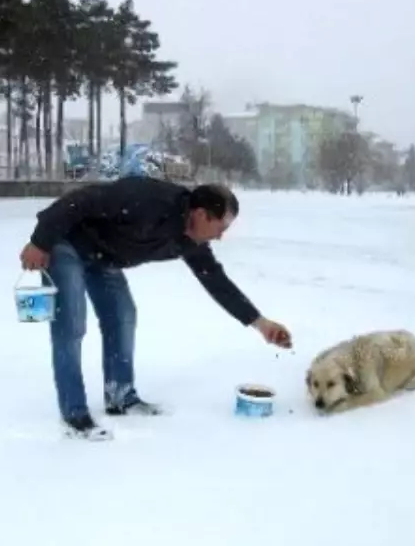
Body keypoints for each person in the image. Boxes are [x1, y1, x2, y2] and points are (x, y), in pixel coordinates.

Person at [19, 176, 292, 440]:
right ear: (201, 214)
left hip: (104, 258)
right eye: (220, 228)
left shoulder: (190, 240)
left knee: (123, 317)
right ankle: (74, 414)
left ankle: (120, 395)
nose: (220, 237)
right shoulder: (147, 199)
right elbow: (79, 200)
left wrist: (261, 323)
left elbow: (216, 281)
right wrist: (40, 241)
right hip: (66, 244)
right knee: (72, 324)